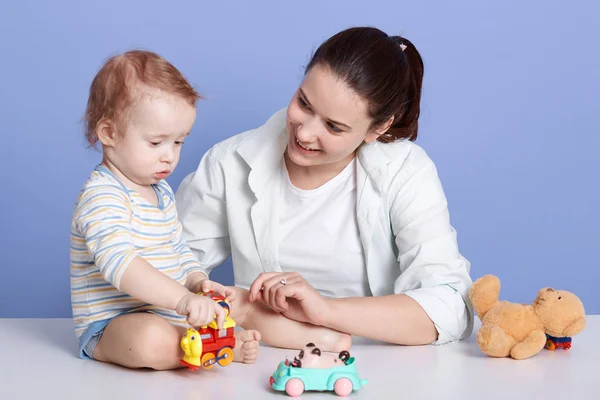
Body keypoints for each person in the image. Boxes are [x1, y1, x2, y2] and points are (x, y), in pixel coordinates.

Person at [175, 26, 474, 349]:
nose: (304, 134)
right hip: (262, 361)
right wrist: (242, 309)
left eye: (334, 126)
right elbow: (164, 264)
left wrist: (324, 311)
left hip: (380, 368)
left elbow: (451, 306)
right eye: (303, 103)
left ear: (379, 128)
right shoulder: (228, 163)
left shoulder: (406, 172)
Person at [70, 50, 260, 370]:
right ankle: (202, 348)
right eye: (156, 142)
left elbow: (176, 248)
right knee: (150, 339)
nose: (169, 157)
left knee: (220, 312)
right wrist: (182, 299)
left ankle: (210, 343)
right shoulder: (102, 196)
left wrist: (197, 281)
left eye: (179, 142)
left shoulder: (161, 192)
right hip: (113, 325)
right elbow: (122, 265)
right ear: (109, 133)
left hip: (164, 311)